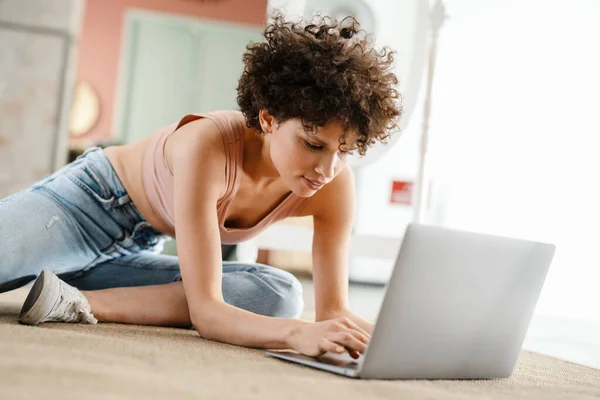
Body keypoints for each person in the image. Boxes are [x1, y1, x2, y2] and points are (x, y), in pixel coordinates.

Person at [0, 12, 401, 360]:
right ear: (267, 119)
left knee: (277, 294)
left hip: (134, 252)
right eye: (313, 144)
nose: (327, 168)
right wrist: (297, 334)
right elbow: (207, 313)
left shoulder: (335, 185)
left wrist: (397, 345)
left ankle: (72, 300)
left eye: (344, 150)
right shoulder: (207, 144)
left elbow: (333, 311)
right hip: (84, 207)